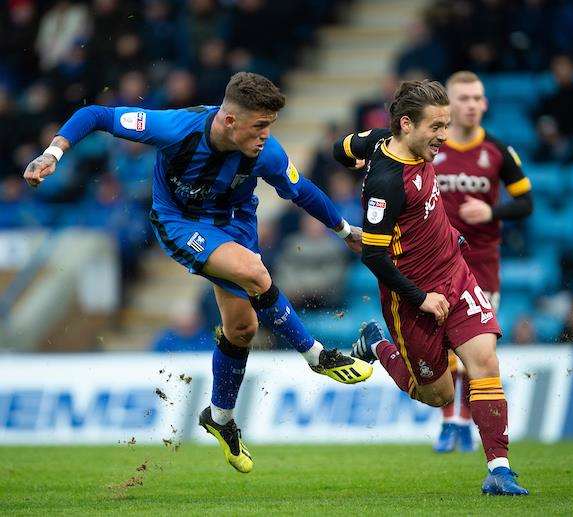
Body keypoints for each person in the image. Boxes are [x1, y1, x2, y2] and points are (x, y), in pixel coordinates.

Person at [22, 71, 372, 474]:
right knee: (256, 273)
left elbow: (302, 190)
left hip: (236, 224)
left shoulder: (267, 153)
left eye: (269, 126)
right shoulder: (174, 128)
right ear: (228, 121)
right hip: (181, 223)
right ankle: (316, 355)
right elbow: (98, 114)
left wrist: (345, 231)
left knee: (241, 329)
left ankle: (219, 418)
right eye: (259, 126)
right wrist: (54, 153)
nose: (265, 135)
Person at [332, 79, 528, 495]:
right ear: (407, 124)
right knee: (436, 395)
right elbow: (373, 256)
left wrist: (350, 153)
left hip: (456, 274)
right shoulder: (386, 184)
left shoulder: (387, 139)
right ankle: (377, 345)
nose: (443, 136)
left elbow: (342, 148)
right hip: (412, 299)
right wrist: (421, 298)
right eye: (436, 127)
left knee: (484, 361)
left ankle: (499, 469)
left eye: (446, 124)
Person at [431, 70, 533, 453]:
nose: (471, 105)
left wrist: (492, 212)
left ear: (485, 103)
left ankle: (464, 424)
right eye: (464, 98)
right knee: (442, 344)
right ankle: (449, 421)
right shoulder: (430, 148)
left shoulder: (497, 151)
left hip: (482, 261)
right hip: (437, 261)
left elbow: (526, 202)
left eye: (477, 98)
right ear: (449, 105)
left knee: (476, 348)